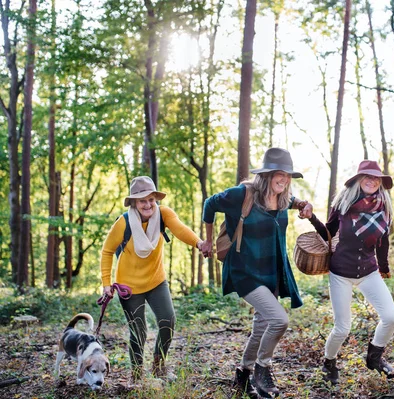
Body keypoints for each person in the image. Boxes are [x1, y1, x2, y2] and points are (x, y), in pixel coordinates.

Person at [200, 147, 313, 396]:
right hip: (245, 270)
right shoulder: (243, 194)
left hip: (271, 271)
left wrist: (307, 205)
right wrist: (207, 241)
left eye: (287, 175)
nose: (284, 179)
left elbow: (298, 203)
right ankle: (263, 368)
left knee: (262, 326)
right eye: (279, 174)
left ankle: (243, 373)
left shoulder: (283, 198)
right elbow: (210, 204)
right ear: (267, 174)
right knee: (279, 320)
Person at [100, 176, 203, 383]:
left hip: (156, 281)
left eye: (151, 200)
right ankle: (136, 378)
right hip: (129, 286)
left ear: (156, 199)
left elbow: (180, 229)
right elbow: (107, 251)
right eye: (142, 200)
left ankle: (159, 366)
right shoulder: (124, 222)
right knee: (138, 331)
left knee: (168, 320)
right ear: (134, 203)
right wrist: (106, 283)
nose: (148, 205)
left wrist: (199, 243)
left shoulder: (164, 214)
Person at [308, 160, 394, 384]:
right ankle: (329, 363)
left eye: (376, 178)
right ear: (358, 180)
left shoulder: (383, 209)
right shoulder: (343, 205)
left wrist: (384, 268)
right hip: (341, 272)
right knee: (342, 328)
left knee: (390, 317)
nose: (372, 180)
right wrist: (311, 217)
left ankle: (374, 358)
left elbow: (383, 241)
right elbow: (328, 232)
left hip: (369, 271)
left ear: (380, 182)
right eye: (367, 176)